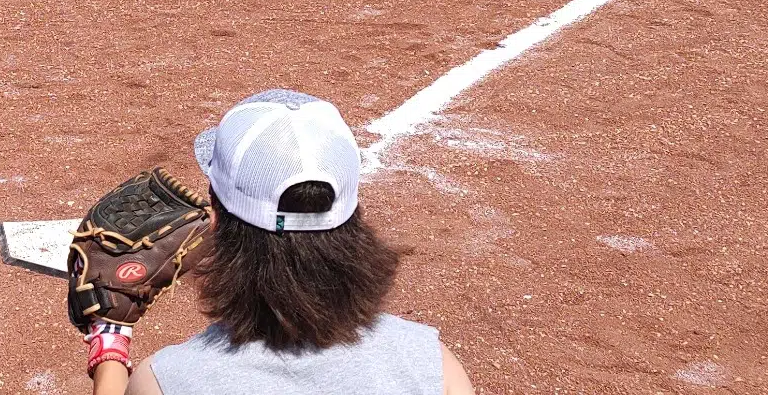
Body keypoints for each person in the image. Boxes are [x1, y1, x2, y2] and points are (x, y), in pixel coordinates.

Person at [81, 90, 477, 395]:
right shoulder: (434, 370)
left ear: (215, 224)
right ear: (352, 221)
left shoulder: (168, 382)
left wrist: (109, 346)